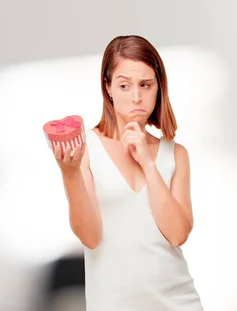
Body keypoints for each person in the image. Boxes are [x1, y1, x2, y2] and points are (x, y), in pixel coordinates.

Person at [51, 35, 203, 311]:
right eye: (124, 85)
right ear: (107, 87)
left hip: (178, 303)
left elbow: (178, 234)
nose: (136, 97)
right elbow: (90, 236)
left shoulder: (176, 155)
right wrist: (70, 174)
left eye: (145, 85)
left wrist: (147, 163)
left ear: (158, 87)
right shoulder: (87, 149)